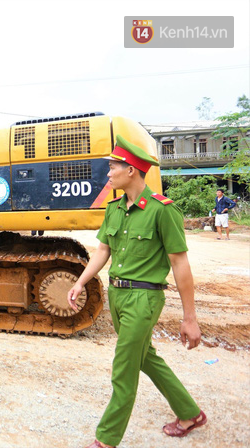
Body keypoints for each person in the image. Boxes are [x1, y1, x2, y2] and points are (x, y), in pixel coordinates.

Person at [66, 136, 206, 448]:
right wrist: (80, 282)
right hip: (117, 297)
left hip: (144, 299)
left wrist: (190, 317)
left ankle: (106, 439)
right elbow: (103, 251)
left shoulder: (162, 210)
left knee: (124, 367)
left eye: (112, 167)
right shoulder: (114, 208)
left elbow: (180, 264)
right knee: (145, 358)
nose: (108, 174)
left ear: (131, 171)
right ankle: (190, 413)